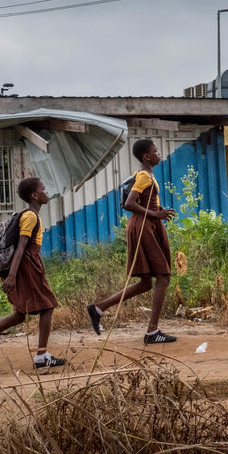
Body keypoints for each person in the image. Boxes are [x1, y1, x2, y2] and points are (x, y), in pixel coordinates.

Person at [0, 177, 66, 370]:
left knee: (19, 314)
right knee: (48, 306)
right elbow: (21, 247)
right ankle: (42, 356)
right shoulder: (30, 217)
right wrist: (12, 276)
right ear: (34, 195)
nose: (46, 192)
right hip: (27, 266)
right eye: (43, 189)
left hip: (26, 265)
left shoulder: (29, 215)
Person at [87, 138, 178, 345]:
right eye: (156, 151)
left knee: (147, 282)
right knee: (163, 276)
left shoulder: (145, 175)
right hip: (144, 226)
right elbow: (129, 203)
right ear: (146, 156)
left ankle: (98, 308)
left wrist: (158, 212)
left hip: (147, 224)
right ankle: (152, 332)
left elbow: (143, 201)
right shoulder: (144, 176)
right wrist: (157, 215)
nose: (159, 153)